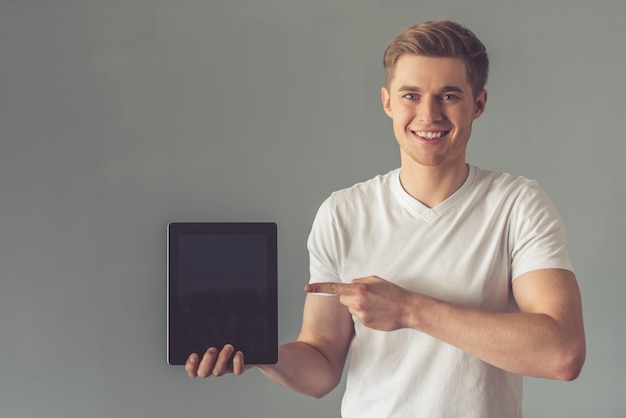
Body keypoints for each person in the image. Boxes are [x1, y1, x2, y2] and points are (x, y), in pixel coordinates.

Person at [185, 19, 586, 417]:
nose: (429, 114)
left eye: (448, 96)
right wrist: (258, 355)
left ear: (478, 104)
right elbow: (321, 367)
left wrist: (410, 310)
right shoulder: (342, 213)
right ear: (387, 102)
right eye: (411, 95)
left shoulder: (517, 205)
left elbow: (562, 354)